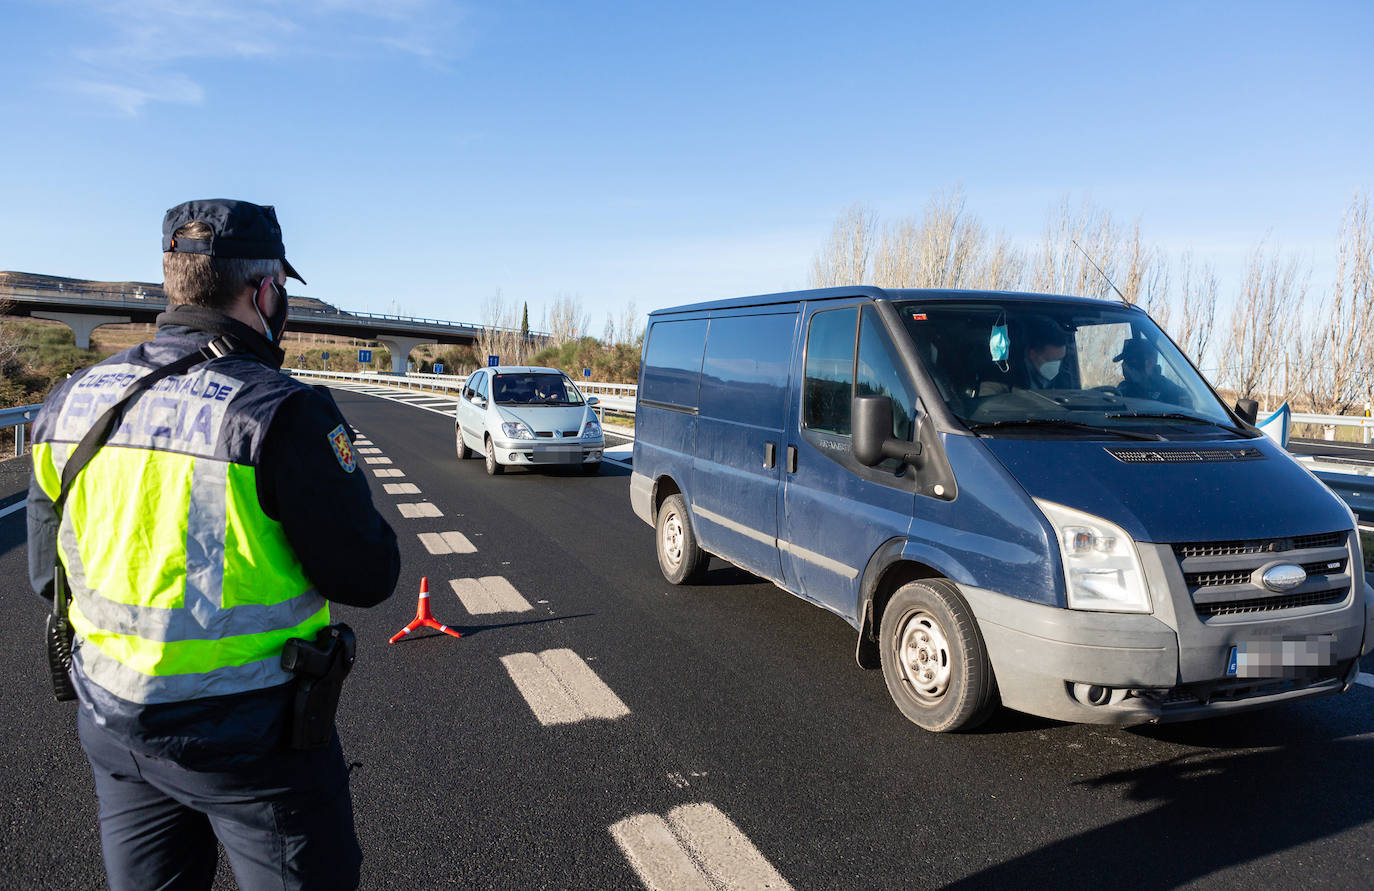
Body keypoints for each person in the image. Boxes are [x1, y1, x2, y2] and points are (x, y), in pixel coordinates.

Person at [26, 199, 401, 890]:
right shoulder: (279, 412)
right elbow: (369, 572)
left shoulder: (68, 402)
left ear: (176, 282)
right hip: (257, 743)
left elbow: (49, 576)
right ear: (265, 293)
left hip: (114, 724)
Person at [1113, 338, 1190, 405]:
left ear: (1149, 362)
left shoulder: (1169, 389)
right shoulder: (1124, 389)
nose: (1124, 366)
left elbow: (1186, 405)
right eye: (1125, 362)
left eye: (1130, 362)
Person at [1021, 317, 1070, 389]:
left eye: (1060, 359)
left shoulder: (1065, 377)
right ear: (1032, 354)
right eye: (1051, 360)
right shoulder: (1016, 378)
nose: (1057, 366)